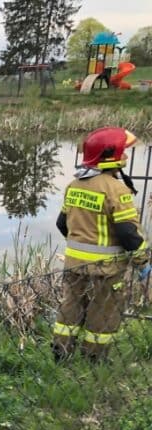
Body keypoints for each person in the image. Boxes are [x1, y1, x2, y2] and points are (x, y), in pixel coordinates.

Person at [52, 126, 148, 361]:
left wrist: (81, 245)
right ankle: (93, 359)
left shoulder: (74, 185)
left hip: (74, 265)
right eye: (123, 152)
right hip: (106, 269)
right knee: (102, 313)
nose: (126, 156)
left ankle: (60, 353)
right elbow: (128, 234)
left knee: (70, 308)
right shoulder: (117, 190)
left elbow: (62, 224)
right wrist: (143, 263)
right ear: (111, 157)